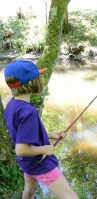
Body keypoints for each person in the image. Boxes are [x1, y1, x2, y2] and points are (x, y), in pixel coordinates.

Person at [4, 59, 79, 199]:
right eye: (39, 76)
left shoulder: (12, 105)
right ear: (31, 83)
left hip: (26, 163)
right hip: (39, 163)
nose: (42, 78)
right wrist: (46, 149)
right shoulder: (28, 112)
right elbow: (22, 149)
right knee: (70, 196)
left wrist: (49, 134)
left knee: (29, 190)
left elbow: (22, 135)